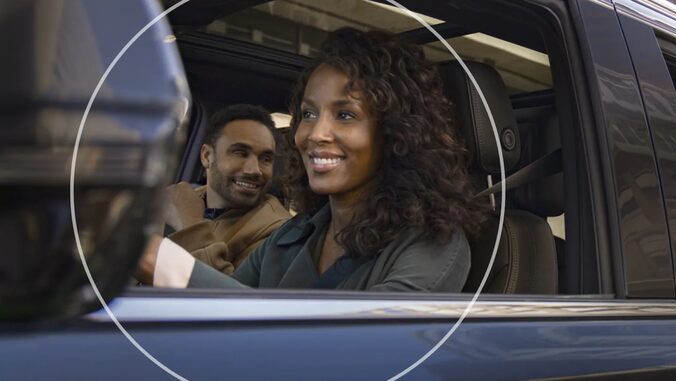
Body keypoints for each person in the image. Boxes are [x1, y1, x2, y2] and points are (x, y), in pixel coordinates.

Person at [139, 28, 488, 292]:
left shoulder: (433, 245)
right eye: (308, 113)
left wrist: (162, 262)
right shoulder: (293, 235)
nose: (314, 133)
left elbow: (355, 353)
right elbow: (223, 320)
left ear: (396, 133)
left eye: (346, 115)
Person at [163, 104, 291, 274]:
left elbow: (225, 296)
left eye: (265, 158)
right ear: (207, 156)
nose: (254, 170)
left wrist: (190, 225)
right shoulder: (182, 200)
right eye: (240, 153)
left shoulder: (277, 232)